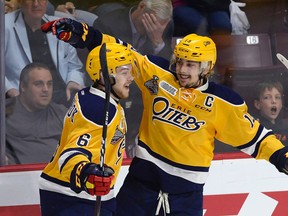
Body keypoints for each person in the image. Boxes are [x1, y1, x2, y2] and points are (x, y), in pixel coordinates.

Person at [42, 18, 288, 215]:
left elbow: (255, 137)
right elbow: (121, 53)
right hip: (141, 186)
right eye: (180, 62)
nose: (181, 69)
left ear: (206, 67)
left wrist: (280, 156)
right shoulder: (158, 75)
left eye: (190, 65)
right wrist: (83, 35)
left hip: (185, 197)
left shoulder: (223, 102)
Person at [39, 43, 135, 215]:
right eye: (124, 72)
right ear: (103, 76)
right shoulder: (99, 109)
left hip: (75, 194)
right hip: (73, 197)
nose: (131, 78)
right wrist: (86, 172)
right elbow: (70, 154)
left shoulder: (94, 97)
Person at [93, 0, 174, 157]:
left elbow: (166, 71)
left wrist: (158, 42)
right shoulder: (107, 25)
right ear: (142, 7)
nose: (155, 28)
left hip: (147, 91)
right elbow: (102, 69)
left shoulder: (163, 28)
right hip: (116, 88)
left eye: (160, 25)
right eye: (151, 22)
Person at [4, 0, 85, 107]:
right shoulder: (4, 25)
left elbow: (75, 66)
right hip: (24, 98)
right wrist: (10, 90)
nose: (36, 4)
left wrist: (73, 81)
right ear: (20, 2)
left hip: (64, 95)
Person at [6, 62, 67, 164]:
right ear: (23, 86)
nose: (46, 89)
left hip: (56, 176)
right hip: (15, 177)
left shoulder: (62, 114)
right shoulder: (5, 113)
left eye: (49, 84)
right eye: (38, 84)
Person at [253, 81, 288, 146]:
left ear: (281, 104)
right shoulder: (256, 127)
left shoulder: (285, 125)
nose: (274, 101)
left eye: (277, 97)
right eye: (267, 97)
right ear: (257, 104)